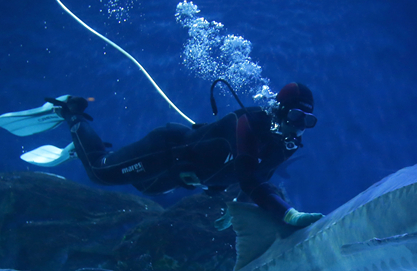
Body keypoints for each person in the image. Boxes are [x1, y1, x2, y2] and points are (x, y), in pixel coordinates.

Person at [47, 82, 322, 228]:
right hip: (165, 151)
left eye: (308, 121)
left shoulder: (285, 145)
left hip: (179, 177)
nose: (299, 125)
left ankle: (87, 149)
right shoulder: (248, 122)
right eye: (296, 115)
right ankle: (72, 113)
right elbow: (249, 176)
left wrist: (235, 208)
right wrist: (289, 215)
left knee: (144, 187)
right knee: (100, 173)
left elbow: (259, 178)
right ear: (280, 109)